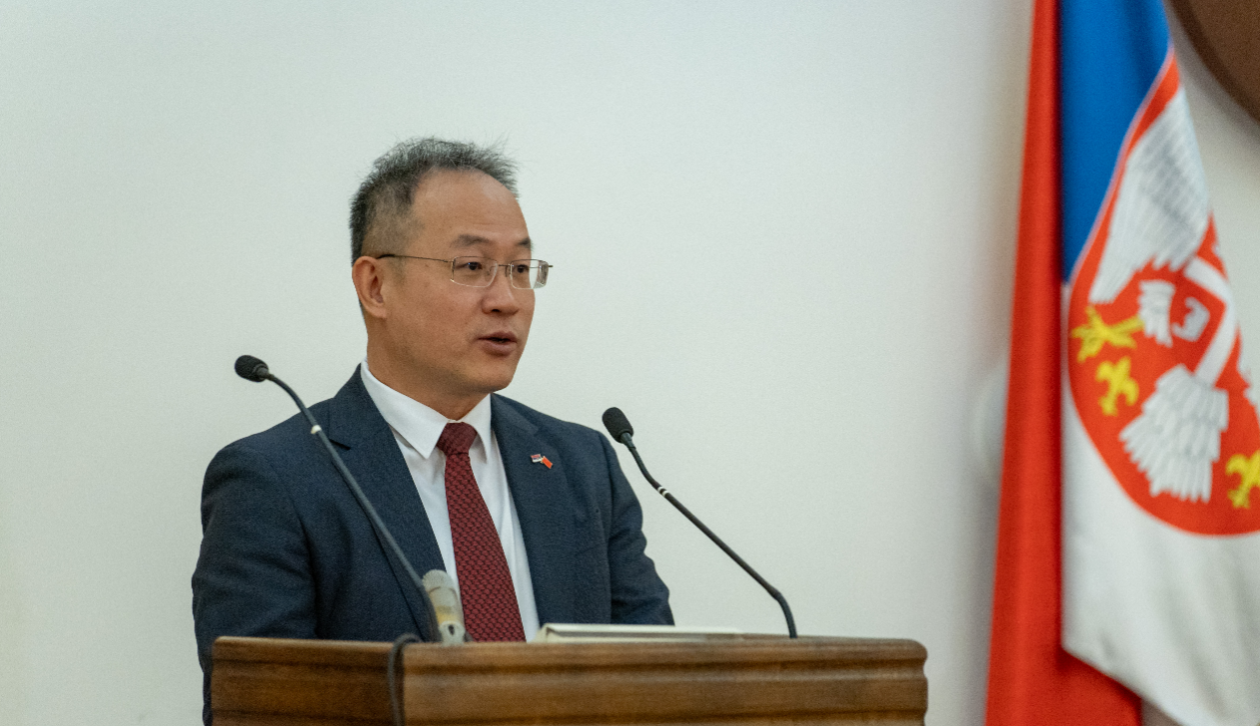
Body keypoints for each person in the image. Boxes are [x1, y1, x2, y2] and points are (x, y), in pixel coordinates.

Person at [191, 138, 672, 722]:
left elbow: (657, 682)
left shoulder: (582, 463)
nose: (507, 300)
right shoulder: (275, 480)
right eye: (471, 267)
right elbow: (261, 710)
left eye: (521, 270)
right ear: (375, 286)